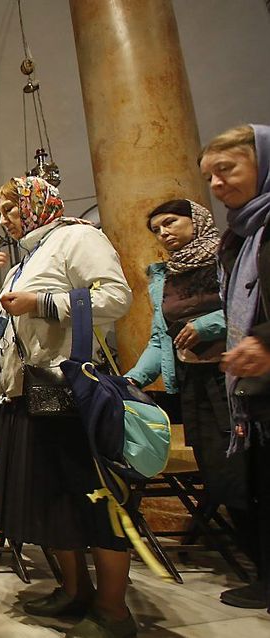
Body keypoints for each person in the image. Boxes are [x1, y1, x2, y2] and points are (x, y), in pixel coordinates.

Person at [0, 176, 133, 638]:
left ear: (39, 202)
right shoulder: (27, 258)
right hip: (27, 394)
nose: (5, 218)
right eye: (1, 210)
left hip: (70, 393)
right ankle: (73, 590)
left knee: (90, 498)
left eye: (11, 208)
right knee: (50, 500)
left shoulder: (79, 237)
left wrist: (42, 303)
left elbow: (115, 298)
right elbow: (5, 319)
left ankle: (113, 611)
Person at [125, 199, 249, 570]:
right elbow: (162, 338)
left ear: (196, 220)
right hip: (195, 382)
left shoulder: (227, 257)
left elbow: (245, 308)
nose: (164, 233)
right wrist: (133, 378)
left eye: (171, 222)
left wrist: (207, 325)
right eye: (157, 229)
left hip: (235, 376)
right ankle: (250, 559)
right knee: (218, 470)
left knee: (248, 467)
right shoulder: (164, 276)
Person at [200, 123, 270, 613]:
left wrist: (265, 341)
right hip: (257, 389)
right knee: (262, 483)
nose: (217, 184)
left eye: (227, 170)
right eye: (209, 177)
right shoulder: (239, 235)